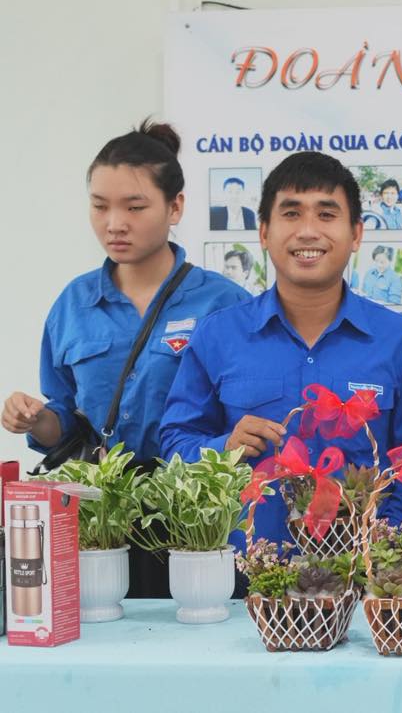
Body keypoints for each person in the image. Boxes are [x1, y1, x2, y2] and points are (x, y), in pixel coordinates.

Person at [2, 121, 248, 596]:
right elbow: (66, 417)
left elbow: (243, 416)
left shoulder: (224, 304)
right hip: (103, 519)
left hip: (199, 519)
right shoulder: (73, 304)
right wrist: (34, 418)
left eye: (135, 207)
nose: (114, 223)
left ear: (175, 207)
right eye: (100, 206)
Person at [160, 152, 402, 550]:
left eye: (326, 215)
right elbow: (176, 444)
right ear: (264, 232)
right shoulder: (219, 336)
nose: (308, 231)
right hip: (242, 577)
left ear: (356, 234)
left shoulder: (400, 341)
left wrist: (379, 550)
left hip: (362, 578)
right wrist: (225, 448)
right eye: (291, 214)